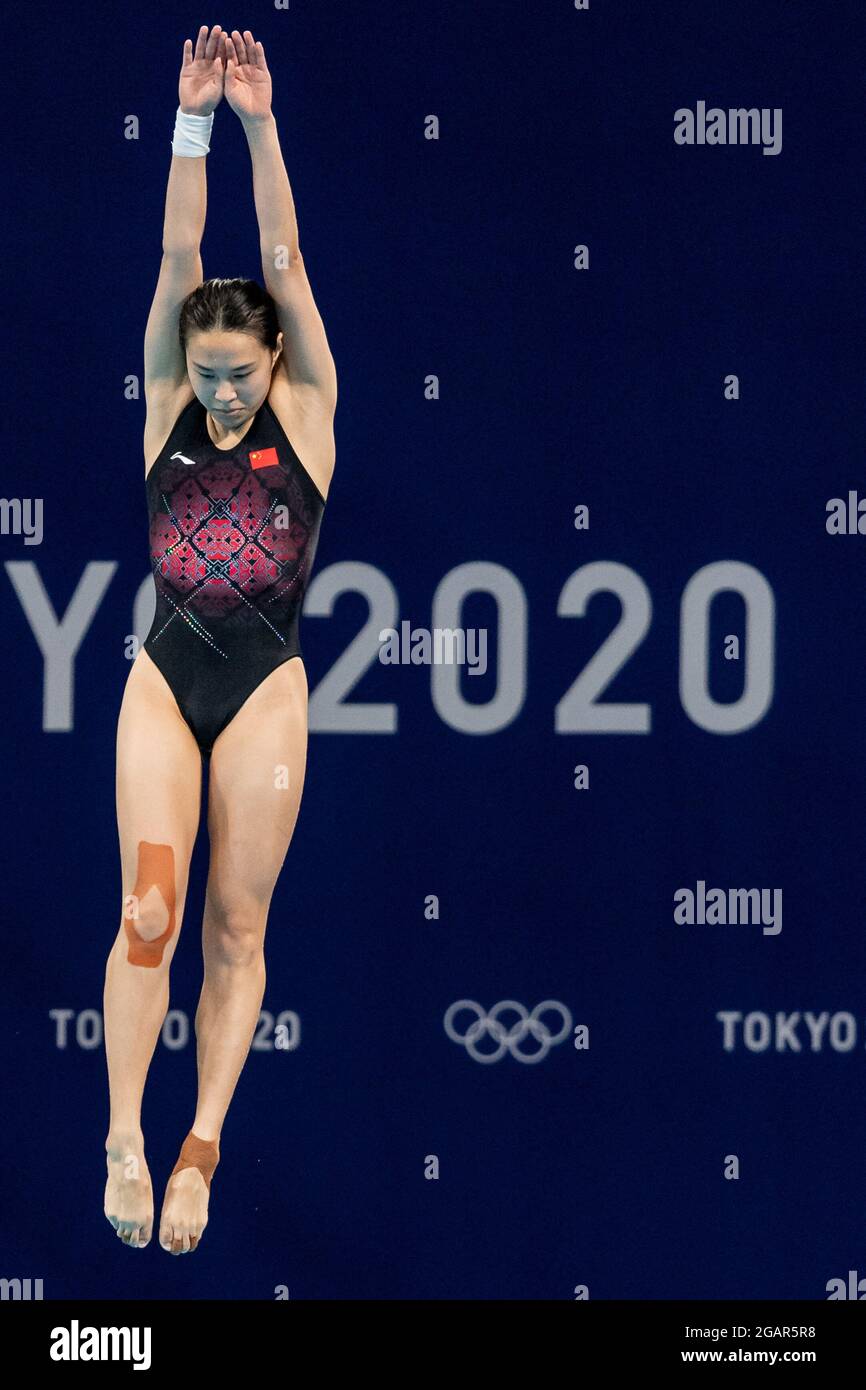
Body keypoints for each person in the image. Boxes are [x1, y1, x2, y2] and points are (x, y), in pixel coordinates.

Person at [103, 24, 337, 1255]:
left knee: (234, 931)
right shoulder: (166, 396)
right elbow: (179, 248)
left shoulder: (303, 404)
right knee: (151, 908)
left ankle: (201, 1146)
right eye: (207, 372)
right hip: (165, 675)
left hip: (263, 692)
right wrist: (188, 116)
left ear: (276, 362)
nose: (224, 391)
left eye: (239, 371)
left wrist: (258, 121)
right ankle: (126, 1137)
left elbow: (279, 259)